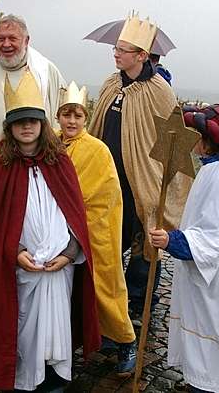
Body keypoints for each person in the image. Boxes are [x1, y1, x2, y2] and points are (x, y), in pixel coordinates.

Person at [0, 70, 100, 391]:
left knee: (57, 325)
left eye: (33, 121)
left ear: (43, 125)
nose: (27, 127)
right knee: (22, 325)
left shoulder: (61, 163)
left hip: (59, 268)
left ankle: (54, 376)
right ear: (10, 127)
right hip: (20, 270)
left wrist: (70, 253)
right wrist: (14, 252)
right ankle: (22, 377)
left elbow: (76, 217)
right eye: (20, 122)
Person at [89, 13, 192, 326]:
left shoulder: (160, 91)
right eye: (116, 48)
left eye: (123, 49)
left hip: (142, 183)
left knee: (144, 244)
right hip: (108, 181)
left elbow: (174, 144)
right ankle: (105, 299)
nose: (116, 53)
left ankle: (138, 303)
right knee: (105, 243)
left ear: (143, 55)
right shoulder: (110, 84)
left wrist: (164, 181)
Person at [149, 104, 219, 393]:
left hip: (217, 281)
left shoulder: (218, 176)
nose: (192, 140)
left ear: (208, 141)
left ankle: (210, 387)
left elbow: (211, 239)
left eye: (195, 134)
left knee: (214, 339)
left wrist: (171, 241)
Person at [56, 81, 137, 376]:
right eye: (66, 115)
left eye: (77, 116)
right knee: (66, 292)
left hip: (93, 231)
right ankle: (79, 340)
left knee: (105, 286)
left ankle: (125, 339)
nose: (72, 121)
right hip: (57, 233)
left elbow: (104, 196)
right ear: (58, 117)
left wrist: (75, 219)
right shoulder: (51, 144)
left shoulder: (97, 150)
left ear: (85, 118)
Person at [0, 14, 65, 148]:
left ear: (26, 40)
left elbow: (63, 116)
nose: (6, 44)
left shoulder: (46, 71)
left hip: (40, 159)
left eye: (12, 38)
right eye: (1, 39)